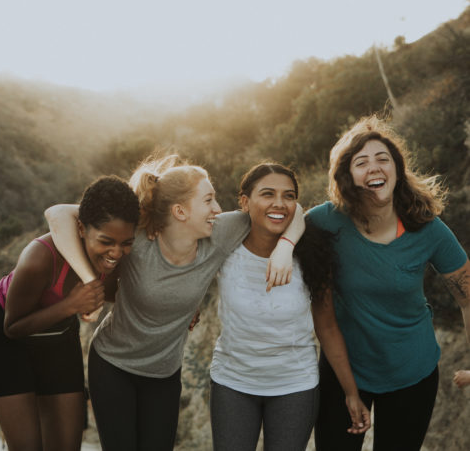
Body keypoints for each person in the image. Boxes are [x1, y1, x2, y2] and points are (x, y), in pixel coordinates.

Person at [44, 154, 305, 451]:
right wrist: (91, 281)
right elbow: (57, 214)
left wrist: (285, 247)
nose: (218, 209)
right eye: (208, 201)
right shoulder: (138, 237)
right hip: (113, 365)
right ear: (180, 211)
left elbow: (289, 211)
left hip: (164, 375)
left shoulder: (220, 233)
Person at [309, 117, 470, 450]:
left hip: (412, 371)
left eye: (383, 158)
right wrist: (283, 249)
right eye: (361, 162)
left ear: (397, 169)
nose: (374, 167)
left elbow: (468, 297)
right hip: (344, 370)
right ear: (347, 175)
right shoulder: (325, 221)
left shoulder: (427, 227)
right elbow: (279, 222)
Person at [209, 163, 370, 451]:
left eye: (289, 195)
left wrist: (351, 392)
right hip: (232, 382)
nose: (279, 204)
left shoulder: (312, 255)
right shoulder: (225, 244)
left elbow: (328, 327)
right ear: (245, 202)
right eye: (267, 194)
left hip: (294, 386)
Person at [0, 176, 140, 451]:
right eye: (106, 241)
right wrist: (70, 306)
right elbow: (12, 327)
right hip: (4, 341)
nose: (116, 252)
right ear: (81, 229)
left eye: (126, 243)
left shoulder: (115, 260)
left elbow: (126, 292)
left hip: (58, 337)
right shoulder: (40, 257)